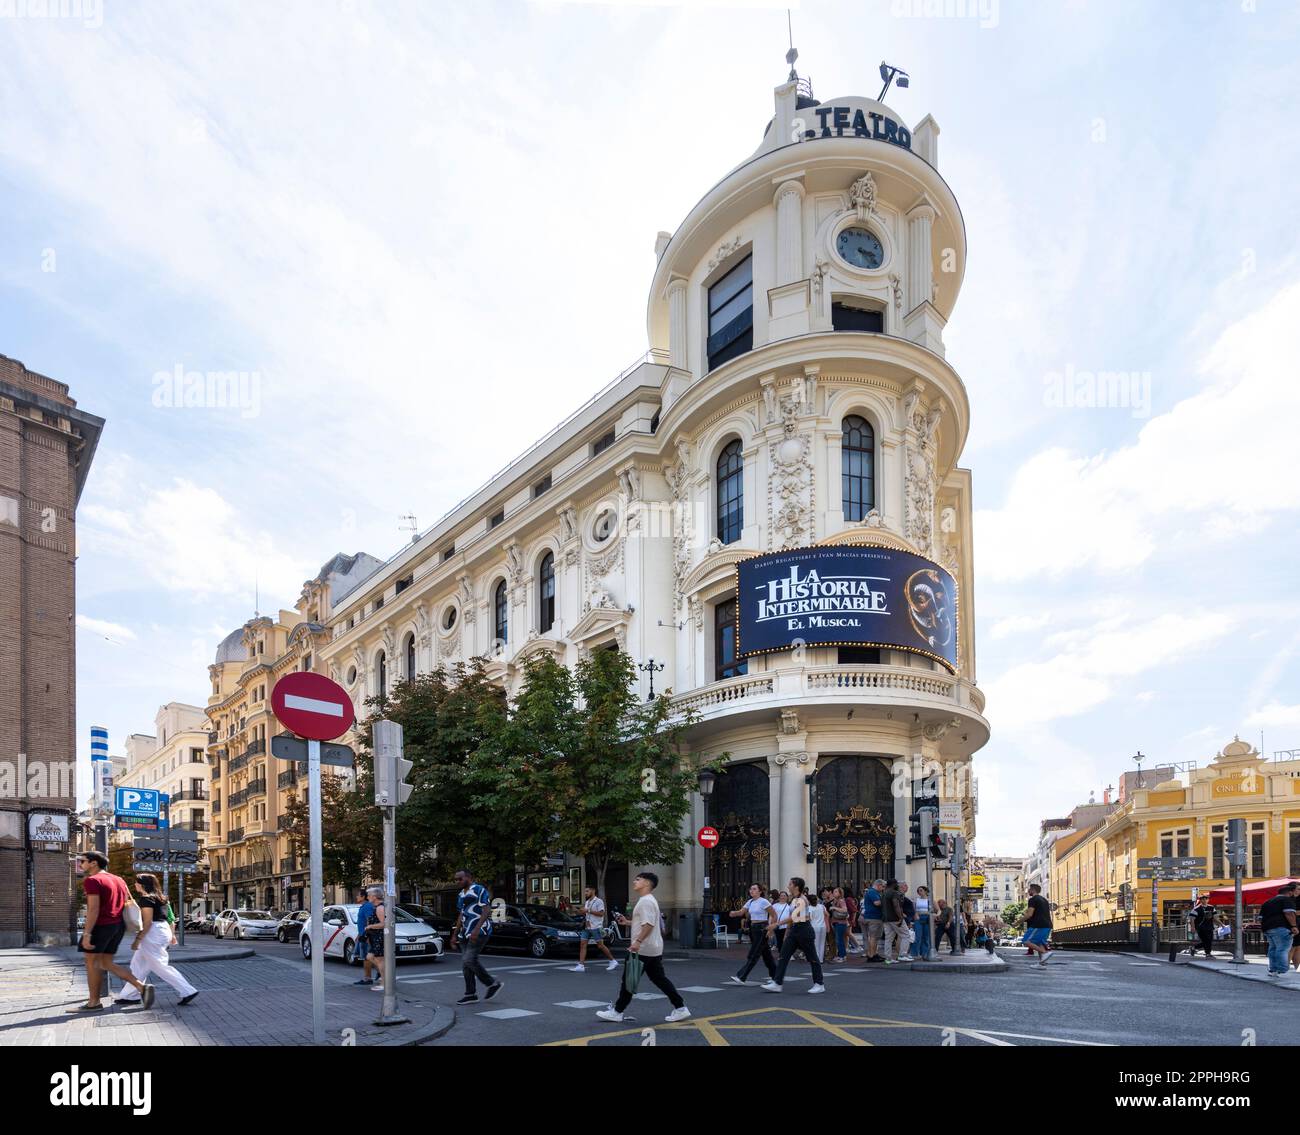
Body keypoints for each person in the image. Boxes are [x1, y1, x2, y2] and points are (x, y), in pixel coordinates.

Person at [597, 872, 690, 1022]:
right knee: (659, 979)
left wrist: (637, 942)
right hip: (653, 948)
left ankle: (617, 1011)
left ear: (647, 883)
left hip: (642, 948)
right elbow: (645, 922)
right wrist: (627, 922)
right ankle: (680, 1008)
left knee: (629, 980)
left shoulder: (645, 901)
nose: (634, 881)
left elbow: (649, 924)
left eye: (638, 879)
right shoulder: (649, 900)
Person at [71, 851, 153, 1011]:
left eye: (83, 861)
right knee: (105, 963)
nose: (81, 864)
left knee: (92, 963)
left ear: (93, 863)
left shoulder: (93, 881)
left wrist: (86, 934)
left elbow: (93, 909)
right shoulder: (119, 879)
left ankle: (93, 1002)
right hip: (117, 926)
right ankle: (141, 987)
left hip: (101, 926)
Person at [114, 873, 198, 1006]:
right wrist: (172, 935)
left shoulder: (146, 899)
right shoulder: (162, 898)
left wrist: (138, 939)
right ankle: (130, 995)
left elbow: (147, 922)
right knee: (138, 965)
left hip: (152, 933)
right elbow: (169, 918)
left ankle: (187, 990)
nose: (135, 884)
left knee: (159, 966)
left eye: (136, 882)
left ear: (142, 884)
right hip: (162, 930)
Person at [761, 877, 825, 994]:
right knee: (783, 955)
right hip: (795, 930)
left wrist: (776, 924)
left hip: (804, 930)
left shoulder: (802, 899)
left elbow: (794, 916)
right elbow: (792, 919)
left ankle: (819, 984)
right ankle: (777, 983)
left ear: (796, 886)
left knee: (812, 958)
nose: (788, 886)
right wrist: (787, 933)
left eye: (790, 884)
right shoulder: (794, 899)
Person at [451, 868, 503, 1005]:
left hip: (479, 932)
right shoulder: (461, 894)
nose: (457, 881)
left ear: (468, 877)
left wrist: (476, 929)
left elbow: (486, 910)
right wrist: (455, 934)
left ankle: (492, 984)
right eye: (456, 879)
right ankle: (470, 994)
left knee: (469, 959)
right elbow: (461, 915)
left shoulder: (479, 889)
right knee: (466, 965)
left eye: (460, 879)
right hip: (464, 933)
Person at [729, 883, 777, 986]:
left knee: (754, 954)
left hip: (762, 928)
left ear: (760, 891)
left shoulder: (764, 901)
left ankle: (742, 976)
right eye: (751, 889)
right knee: (766, 955)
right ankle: (776, 977)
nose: (751, 891)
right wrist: (734, 913)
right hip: (753, 928)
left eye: (754, 889)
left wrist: (771, 929)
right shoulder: (750, 902)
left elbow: (774, 915)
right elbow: (742, 912)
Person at [570, 884, 620, 972]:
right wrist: (578, 911)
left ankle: (613, 961)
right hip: (587, 927)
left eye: (587, 891)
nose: (585, 893)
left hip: (596, 927)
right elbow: (586, 913)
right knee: (583, 945)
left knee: (600, 945)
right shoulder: (587, 902)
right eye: (585, 891)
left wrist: (588, 910)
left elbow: (601, 913)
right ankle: (581, 965)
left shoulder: (599, 901)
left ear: (593, 891)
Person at [1259, 881, 1298, 978]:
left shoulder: (1267, 902)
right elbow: (1289, 913)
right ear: (1289, 893)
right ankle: (1282, 969)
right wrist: (1293, 926)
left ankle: (1273, 970)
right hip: (1282, 927)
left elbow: (1260, 918)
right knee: (1283, 949)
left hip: (1268, 929)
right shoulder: (1287, 900)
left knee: (1273, 949)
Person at [1022, 883, 1054, 967]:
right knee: (1039, 942)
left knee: (1026, 941)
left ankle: (1045, 952)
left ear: (1033, 890)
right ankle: (1042, 964)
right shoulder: (1044, 900)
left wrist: (1017, 922)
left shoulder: (1032, 899)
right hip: (1048, 924)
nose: (1028, 891)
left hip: (1038, 925)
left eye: (1029, 889)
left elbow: (1029, 914)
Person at [362, 886, 387, 992]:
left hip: (379, 937)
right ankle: (387, 976)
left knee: (379, 960)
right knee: (370, 956)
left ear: (375, 897)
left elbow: (383, 924)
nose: (367, 897)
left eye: (369, 895)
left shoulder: (380, 908)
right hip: (375, 938)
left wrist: (370, 926)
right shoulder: (376, 907)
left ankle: (385, 983)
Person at [881, 879, 910, 964]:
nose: (897, 885)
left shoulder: (884, 893)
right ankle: (902, 955)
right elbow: (896, 906)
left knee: (888, 939)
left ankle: (888, 958)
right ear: (893, 884)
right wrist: (900, 918)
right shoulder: (894, 893)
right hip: (895, 918)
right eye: (896, 884)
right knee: (906, 935)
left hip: (886, 919)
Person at [354, 888, 377, 985]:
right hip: (363, 935)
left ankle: (369, 978)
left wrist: (367, 935)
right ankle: (371, 976)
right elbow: (362, 923)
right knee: (366, 957)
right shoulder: (363, 906)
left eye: (358, 895)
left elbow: (369, 920)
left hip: (366, 936)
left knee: (368, 958)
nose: (356, 897)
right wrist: (359, 935)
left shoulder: (367, 906)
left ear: (363, 897)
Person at [861, 878, 884, 963]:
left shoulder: (875, 892)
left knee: (875, 937)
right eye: (883, 886)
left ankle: (874, 954)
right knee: (873, 937)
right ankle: (871, 955)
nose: (883, 888)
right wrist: (885, 899)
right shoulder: (872, 892)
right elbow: (877, 903)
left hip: (876, 917)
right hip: (873, 918)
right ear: (878, 885)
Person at [807, 887, 829, 967]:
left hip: (814, 926)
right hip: (823, 926)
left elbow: (809, 919)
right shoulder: (822, 906)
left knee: (815, 943)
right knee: (822, 943)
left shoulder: (809, 908)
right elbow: (827, 915)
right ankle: (821, 959)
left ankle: (815, 959)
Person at [910, 885, 931, 959]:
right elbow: (913, 909)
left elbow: (938, 910)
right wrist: (915, 915)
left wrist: (934, 915)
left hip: (927, 918)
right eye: (918, 891)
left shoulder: (930, 900)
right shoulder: (916, 900)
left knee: (926, 937)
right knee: (917, 936)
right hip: (918, 918)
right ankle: (914, 953)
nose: (919, 892)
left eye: (921, 890)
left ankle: (924, 954)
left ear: (925, 891)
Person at [829, 887, 850, 963]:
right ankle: (840, 955)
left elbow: (845, 910)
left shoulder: (841, 901)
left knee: (839, 939)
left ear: (840, 893)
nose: (834, 893)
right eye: (834, 892)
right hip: (836, 922)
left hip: (841, 922)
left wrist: (834, 908)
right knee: (838, 939)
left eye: (836, 892)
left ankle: (842, 956)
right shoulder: (835, 901)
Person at [844, 886, 862, 955]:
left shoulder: (848, 899)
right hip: (849, 918)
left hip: (849, 919)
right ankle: (846, 948)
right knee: (846, 934)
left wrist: (853, 920)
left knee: (848, 933)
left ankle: (858, 946)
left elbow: (854, 910)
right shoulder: (850, 899)